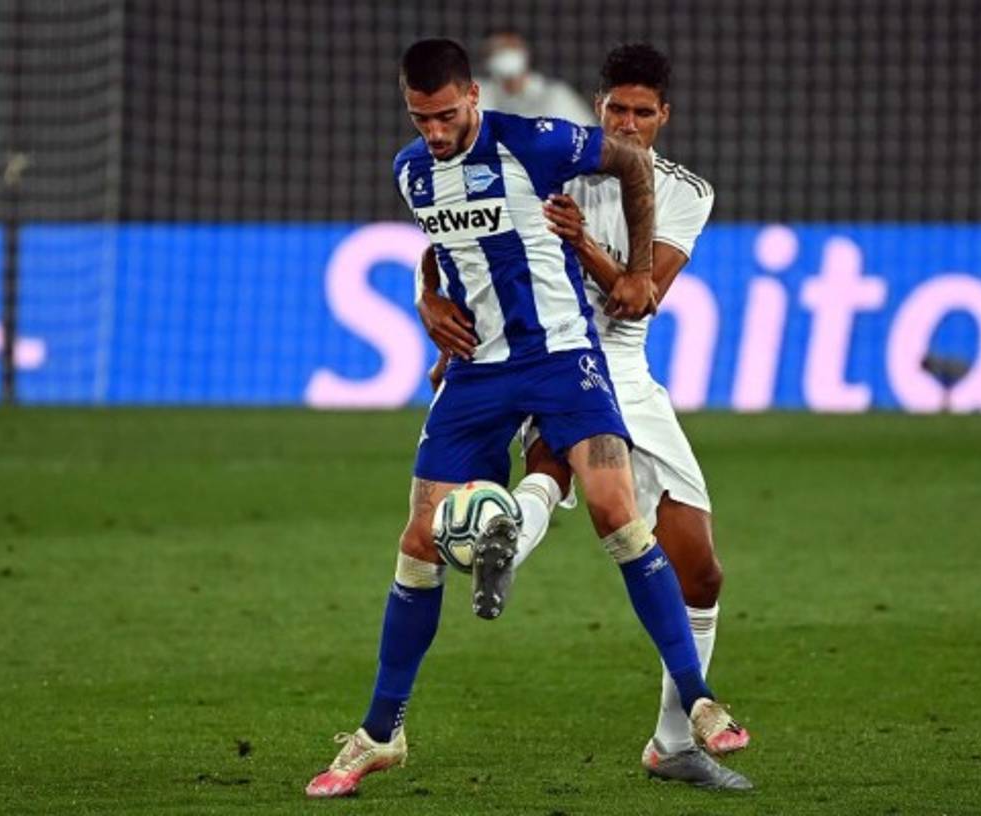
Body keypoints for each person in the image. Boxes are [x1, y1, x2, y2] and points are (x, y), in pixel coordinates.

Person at [305, 38, 746, 799]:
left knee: (641, 528)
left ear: (472, 96)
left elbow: (637, 270)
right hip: (482, 372)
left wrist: (619, 257)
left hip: (577, 360)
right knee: (419, 543)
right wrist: (426, 301)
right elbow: (448, 245)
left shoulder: (547, 145)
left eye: (444, 116)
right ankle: (382, 733)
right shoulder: (412, 168)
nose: (434, 132)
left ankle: (693, 700)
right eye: (420, 119)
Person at [476, 30, 596, 124]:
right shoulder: (477, 95)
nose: (505, 54)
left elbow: (591, 141)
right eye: (497, 49)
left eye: (510, 47)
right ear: (487, 58)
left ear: (525, 51)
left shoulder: (556, 95)